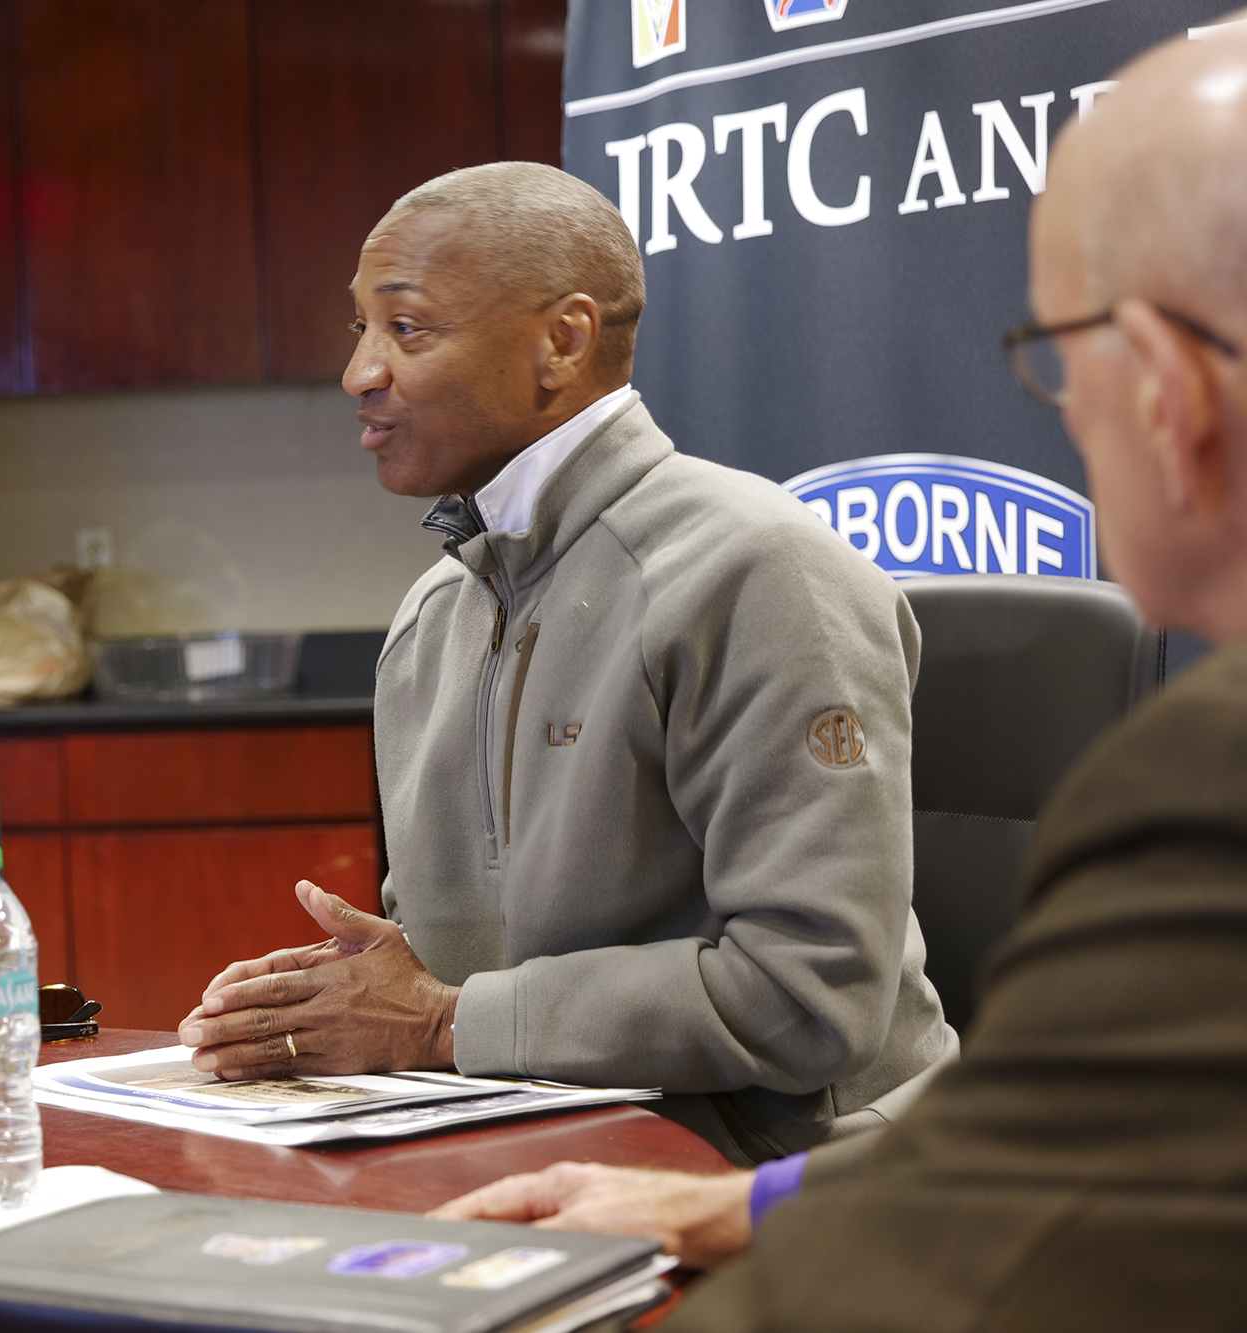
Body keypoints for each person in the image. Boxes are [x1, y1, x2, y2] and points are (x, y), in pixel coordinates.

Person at [433, 25, 1247, 1329]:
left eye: (1060, 355)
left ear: (1161, 393)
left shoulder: (1207, 779)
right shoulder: (448, 603)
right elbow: (1051, 1152)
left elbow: (1049, 1214)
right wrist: (729, 1212)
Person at [178, 162, 954, 1163]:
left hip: (803, 1182)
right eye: (358, 330)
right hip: (540, 1143)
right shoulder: (434, 612)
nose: (360, 372)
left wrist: (436, 1022)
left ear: (562, 340)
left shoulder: (760, 571)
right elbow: (458, 984)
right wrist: (354, 992)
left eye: (406, 329)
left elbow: (810, 998)